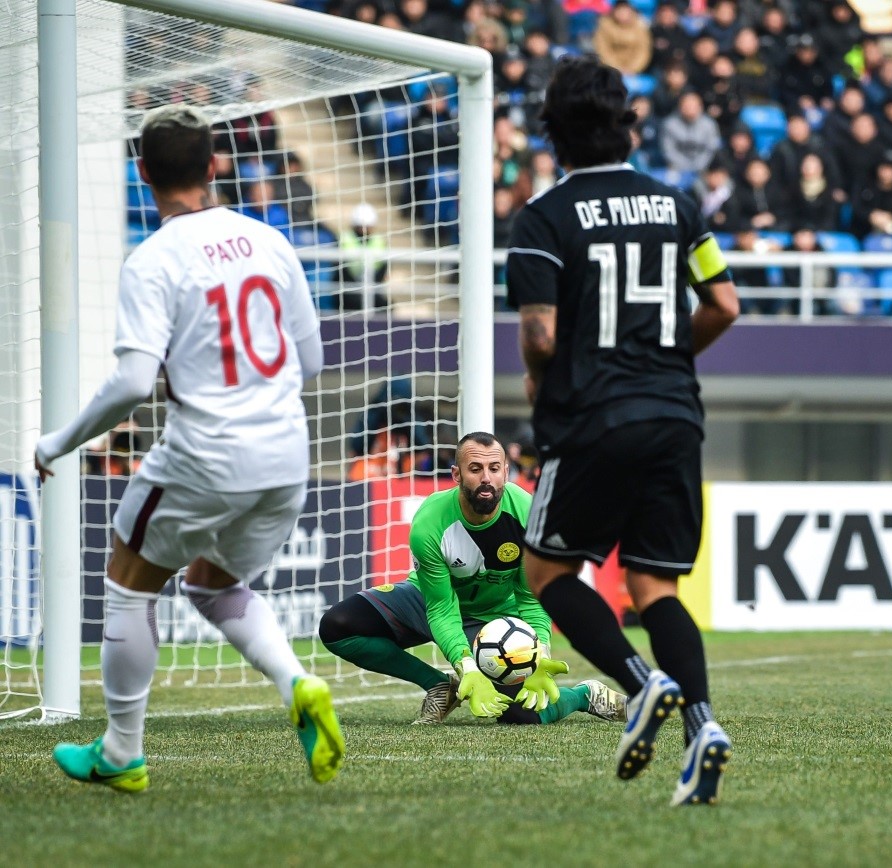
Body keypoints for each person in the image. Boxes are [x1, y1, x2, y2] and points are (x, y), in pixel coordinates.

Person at [34, 104, 342, 792]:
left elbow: (134, 381)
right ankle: (297, 682)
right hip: (287, 452)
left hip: (208, 451)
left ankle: (121, 753)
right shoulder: (269, 239)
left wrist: (58, 442)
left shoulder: (152, 260)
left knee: (126, 581)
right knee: (214, 582)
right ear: (213, 166)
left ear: (141, 173)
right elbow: (313, 360)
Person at [505, 56, 740, 806]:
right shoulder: (678, 206)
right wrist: (666, 354)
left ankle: (641, 684)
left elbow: (540, 336)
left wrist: (543, 380)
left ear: (554, 135)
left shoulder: (542, 219)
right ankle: (701, 726)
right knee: (654, 585)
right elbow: (725, 304)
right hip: (674, 413)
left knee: (545, 574)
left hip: (594, 418)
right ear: (627, 125)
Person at [319, 432, 627, 726]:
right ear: (456, 475)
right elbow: (441, 608)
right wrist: (466, 667)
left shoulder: (528, 515)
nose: (486, 478)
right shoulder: (430, 524)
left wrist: (540, 651)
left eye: (494, 469)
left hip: (495, 620)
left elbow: (531, 597)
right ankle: (439, 685)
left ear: (506, 472)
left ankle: (584, 695)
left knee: (522, 715)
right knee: (337, 627)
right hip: (427, 598)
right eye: (475, 469)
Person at [339, 202, 390, 311]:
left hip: (373, 285)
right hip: (349, 287)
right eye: (361, 227)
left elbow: (384, 268)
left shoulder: (379, 241)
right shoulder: (344, 239)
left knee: (386, 306)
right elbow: (340, 269)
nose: (364, 230)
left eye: (368, 226)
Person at [660, 90, 721, 175]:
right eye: (687, 106)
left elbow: (711, 149)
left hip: (704, 168)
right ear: (680, 107)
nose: (690, 109)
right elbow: (668, 150)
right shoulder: (669, 124)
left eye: (693, 106)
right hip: (676, 168)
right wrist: (685, 167)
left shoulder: (710, 125)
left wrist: (698, 166)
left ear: (700, 107)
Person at [592, 0, 651, 75]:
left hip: (634, 71)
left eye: (625, 10)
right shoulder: (604, 25)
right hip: (610, 70)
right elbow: (602, 50)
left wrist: (632, 69)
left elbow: (643, 51)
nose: (622, 13)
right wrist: (616, 68)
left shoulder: (640, 26)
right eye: (619, 10)